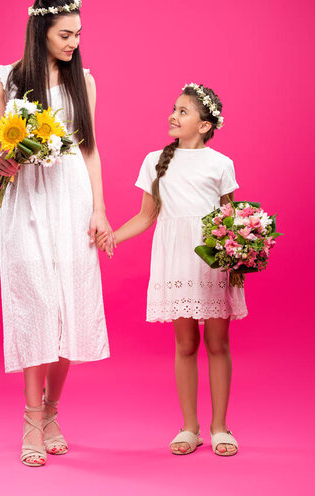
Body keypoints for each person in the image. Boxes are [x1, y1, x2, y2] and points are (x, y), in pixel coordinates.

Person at [0, 0, 113, 466]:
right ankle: (31, 417)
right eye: (66, 34)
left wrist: (99, 210)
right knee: (35, 303)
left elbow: (90, 150)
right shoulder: (5, 79)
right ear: (40, 31)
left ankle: (52, 412)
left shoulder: (86, 82)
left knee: (68, 308)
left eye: (78, 35)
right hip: (27, 202)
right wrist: (1, 158)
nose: (74, 43)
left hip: (72, 202)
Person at [98, 83, 247, 456]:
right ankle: (189, 427)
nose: (174, 115)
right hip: (177, 260)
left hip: (212, 260)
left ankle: (220, 427)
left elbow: (231, 217)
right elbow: (147, 215)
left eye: (184, 111)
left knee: (217, 343)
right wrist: (113, 236)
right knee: (185, 345)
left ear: (205, 125)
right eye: (174, 108)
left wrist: (245, 246)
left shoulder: (221, 163)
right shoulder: (154, 160)